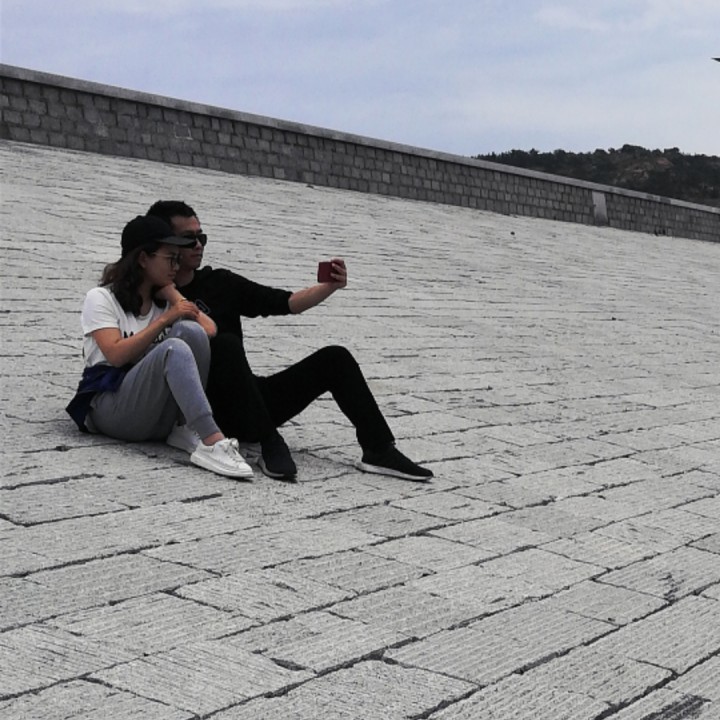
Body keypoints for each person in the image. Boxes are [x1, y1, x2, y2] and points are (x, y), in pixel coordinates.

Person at [146, 200, 434, 483]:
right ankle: (268, 441)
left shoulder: (219, 282)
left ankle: (378, 449)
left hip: (248, 400)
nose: (198, 245)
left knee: (335, 358)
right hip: (202, 414)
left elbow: (284, 302)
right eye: (189, 239)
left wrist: (329, 287)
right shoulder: (146, 295)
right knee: (224, 344)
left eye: (202, 237)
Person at [66, 215, 253, 479]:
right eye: (170, 259)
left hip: (153, 412)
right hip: (111, 406)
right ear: (143, 259)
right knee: (173, 348)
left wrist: (173, 295)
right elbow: (116, 355)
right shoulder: (101, 298)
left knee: (191, 331)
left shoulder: (163, 301)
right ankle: (212, 440)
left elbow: (209, 330)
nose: (177, 266)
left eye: (178, 259)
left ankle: (184, 427)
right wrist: (166, 319)